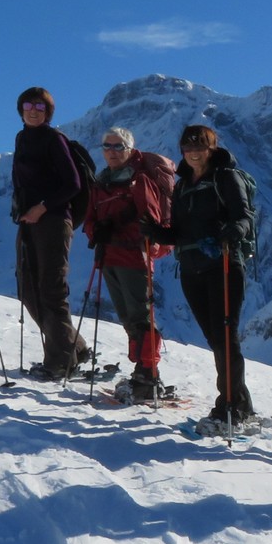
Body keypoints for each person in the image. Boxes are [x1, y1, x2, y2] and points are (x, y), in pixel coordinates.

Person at [143, 124, 256, 425]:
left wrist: (234, 231)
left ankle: (231, 405)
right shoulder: (182, 185)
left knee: (225, 336)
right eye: (188, 146)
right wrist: (155, 231)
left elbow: (243, 215)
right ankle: (239, 403)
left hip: (224, 264)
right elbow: (178, 233)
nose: (194, 151)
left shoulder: (225, 177)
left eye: (200, 146)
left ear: (212, 148)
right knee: (215, 338)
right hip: (192, 268)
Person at [83, 127, 174, 400]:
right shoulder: (102, 182)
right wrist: (95, 232)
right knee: (128, 317)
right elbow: (90, 217)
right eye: (107, 146)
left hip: (134, 257)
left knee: (141, 317)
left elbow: (150, 219)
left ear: (130, 150)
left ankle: (149, 374)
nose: (111, 151)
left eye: (118, 146)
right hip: (109, 256)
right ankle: (141, 371)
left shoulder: (139, 180)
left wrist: (116, 232)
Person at [11, 86, 88, 380]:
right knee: (27, 288)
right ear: (21, 109)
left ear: (48, 112)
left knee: (51, 290)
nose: (33, 110)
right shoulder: (22, 138)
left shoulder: (54, 139)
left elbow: (73, 183)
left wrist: (42, 207)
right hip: (29, 221)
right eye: (29, 105)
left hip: (53, 221)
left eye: (40, 107)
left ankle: (59, 362)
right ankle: (73, 348)